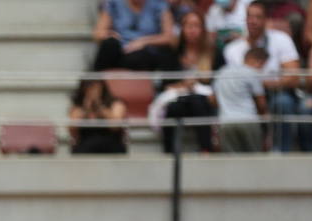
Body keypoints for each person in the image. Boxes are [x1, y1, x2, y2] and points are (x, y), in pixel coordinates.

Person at [222, 1, 301, 151]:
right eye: (249, 16)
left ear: (266, 19)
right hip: (245, 98)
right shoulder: (232, 49)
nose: (253, 21)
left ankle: (280, 152)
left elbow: (294, 77)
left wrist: (261, 84)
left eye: (258, 17)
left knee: (283, 103)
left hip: (276, 93)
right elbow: (233, 82)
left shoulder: (281, 39)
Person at [152, 10, 217, 153]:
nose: (192, 30)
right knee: (174, 108)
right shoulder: (172, 54)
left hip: (204, 102)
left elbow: (219, 82)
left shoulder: (213, 54)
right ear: (182, 29)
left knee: (197, 101)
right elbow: (163, 85)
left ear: (203, 29)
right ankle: (169, 153)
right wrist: (184, 85)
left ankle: (206, 150)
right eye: (188, 25)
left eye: (196, 25)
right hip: (179, 99)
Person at [92, 0, 180, 71]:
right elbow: (98, 33)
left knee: (138, 58)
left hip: (146, 51)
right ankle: (96, 86)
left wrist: (144, 42)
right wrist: (110, 34)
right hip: (120, 50)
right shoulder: (114, 3)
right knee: (109, 44)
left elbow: (169, 37)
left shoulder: (159, 4)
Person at [214, 44, 269, 151]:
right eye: (263, 65)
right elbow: (262, 104)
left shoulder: (222, 72)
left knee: (231, 163)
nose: (262, 69)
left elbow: (213, 99)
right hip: (248, 121)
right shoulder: (252, 73)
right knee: (254, 161)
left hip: (225, 123)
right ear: (259, 61)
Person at [69, 77, 129, 154]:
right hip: (85, 144)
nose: (92, 92)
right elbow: (72, 131)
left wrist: (100, 107)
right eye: (89, 89)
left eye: (95, 88)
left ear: (102, 88)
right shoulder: (78, 107)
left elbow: (115, 127)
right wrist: (85, 110)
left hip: (111, 143)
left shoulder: (116, 104)